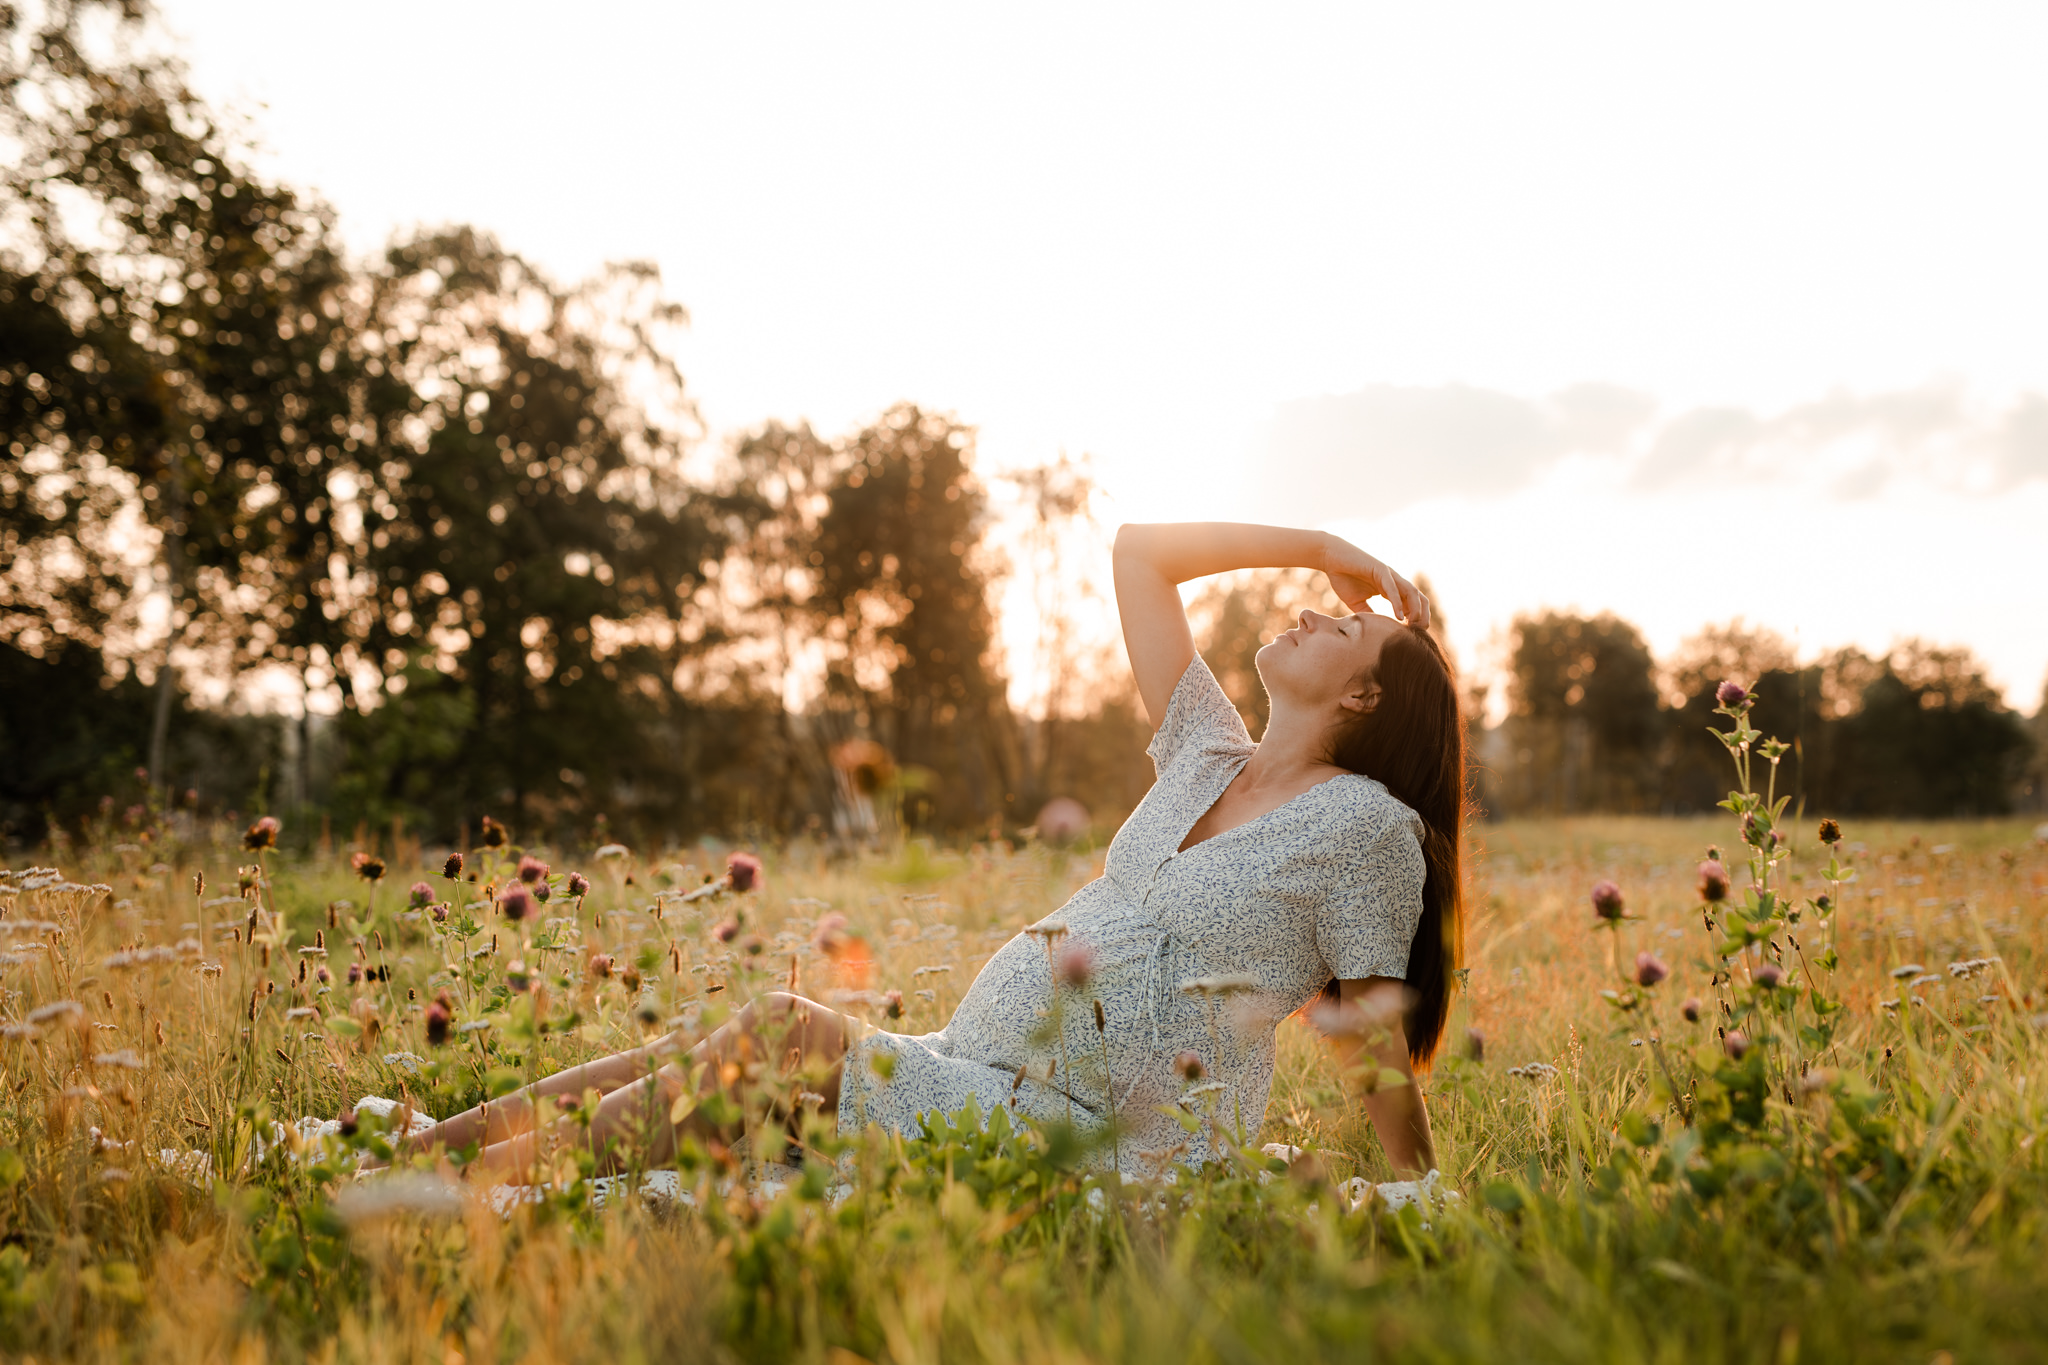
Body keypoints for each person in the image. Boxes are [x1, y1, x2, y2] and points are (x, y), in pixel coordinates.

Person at [398, 522, 1466, 1180]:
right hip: (981, 1069)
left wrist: (1420, 1192)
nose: (1307, 610)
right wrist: (1320, 546)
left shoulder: (1363, 829)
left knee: (778, 1035)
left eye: (1338, 626)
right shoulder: (1202, 751)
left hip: (1102, 1139)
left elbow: (1366, 1032)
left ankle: (470, 1192)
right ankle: (433, 1152)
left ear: (1364, 694)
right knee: (710, 1052)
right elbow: (1138, 550)